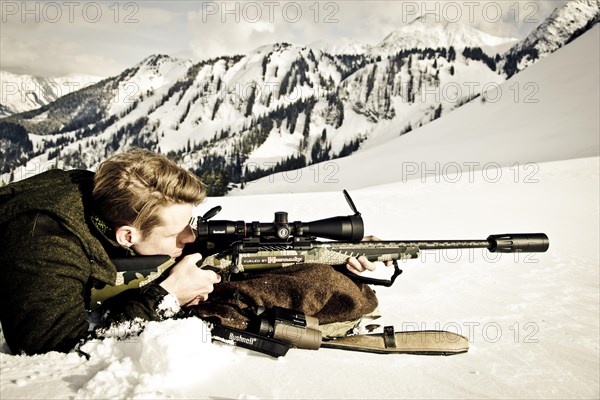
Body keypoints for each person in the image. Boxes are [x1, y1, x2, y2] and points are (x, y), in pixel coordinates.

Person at [0, 148, 379, 355]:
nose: (189, 237)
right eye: (177, 232)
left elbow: (190, 243)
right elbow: (52, 345)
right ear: (128, 236)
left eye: (191, 223)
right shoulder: (45, 239)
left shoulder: (114, 197)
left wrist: (326, 254)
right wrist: (166, 295)